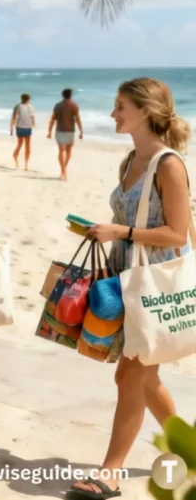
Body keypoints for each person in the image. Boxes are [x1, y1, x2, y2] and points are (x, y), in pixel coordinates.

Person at [67, 78, 190, 500]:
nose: (113, 113)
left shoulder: (169, 164)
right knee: (145, 377)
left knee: (131, 375)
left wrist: (119, 231)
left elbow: (178, 233)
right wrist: (104, 231)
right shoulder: (130, 161)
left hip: (154, 284)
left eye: (120, 106)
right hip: (127, 278)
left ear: (146, 110)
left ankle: (111, 473)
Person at [47, 88, 83, 181]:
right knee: (68, 151)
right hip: (70, 131)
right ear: (71, 95)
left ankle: (63, 171)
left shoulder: (58, 105)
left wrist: (49, 131)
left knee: (61, 151)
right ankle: (64, 170)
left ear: (62, 95)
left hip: (60, 130)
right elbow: (77, 119)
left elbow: (52, 119)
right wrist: (81, 131)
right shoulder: (74, 105)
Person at [10, 93, 36, 170]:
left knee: (19, 145)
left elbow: (14, 117)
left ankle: (17, 162)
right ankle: (26, 164)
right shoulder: (31, 107)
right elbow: (33, 118)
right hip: (27, 127)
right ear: (28, 99)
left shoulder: (17, 106)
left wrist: (11, 128)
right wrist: (34, 125)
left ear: (21, 98)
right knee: (27, 146)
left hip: (20, 127)